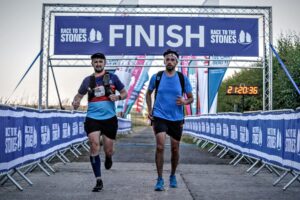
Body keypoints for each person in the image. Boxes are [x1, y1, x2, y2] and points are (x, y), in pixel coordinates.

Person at [72, 52, 127, 192]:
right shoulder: (87, 80)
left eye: (100, 62)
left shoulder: (113, 78)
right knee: (94, 145)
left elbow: (124, 93)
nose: (98, 64)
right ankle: (98, 180)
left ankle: (108, 158)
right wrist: (76, 101)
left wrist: (118, 97)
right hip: (92, 118)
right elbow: (78, 96)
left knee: (109, 149)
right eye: (95, 62)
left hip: (109, 119)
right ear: (92, 64)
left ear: (104, 63)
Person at [146, 49, 193, 191]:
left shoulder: (182, 78)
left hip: (176, 118)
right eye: (167, 59)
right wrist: (149, 110)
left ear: (177, 62)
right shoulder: (157, 77)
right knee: (160, 146)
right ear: (164, 61)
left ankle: (172, 175)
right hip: (159, 116)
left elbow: (191, 98)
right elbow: (148, 94)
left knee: (174, 148)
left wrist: (185, 102)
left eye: (173, 59)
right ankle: (159, 179)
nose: (170, 61)